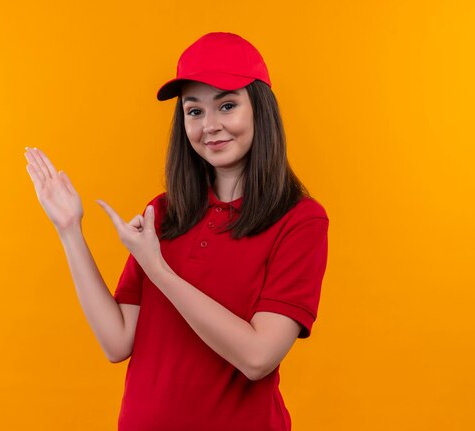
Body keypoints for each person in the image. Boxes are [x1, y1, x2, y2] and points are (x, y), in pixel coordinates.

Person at [24, 32, 329, 431]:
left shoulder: (300, 221)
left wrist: (158, 269)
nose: (210, 126)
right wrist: (69, 231)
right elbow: (117, 343)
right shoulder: (164, 212)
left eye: (227, 105)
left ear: (260, 110)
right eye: (194, 111)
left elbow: (258, 357)